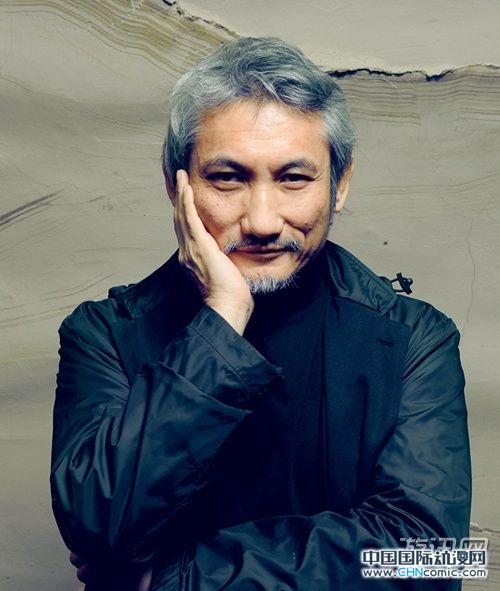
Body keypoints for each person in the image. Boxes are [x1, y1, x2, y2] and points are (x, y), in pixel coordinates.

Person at [50, 37, 471, 590]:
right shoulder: (102, 334)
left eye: (293, 178)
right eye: (228, 178)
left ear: (339, 185)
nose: (263, 221)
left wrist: (175, 579)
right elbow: (98, 528)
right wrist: (223, 314)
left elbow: (432, 561)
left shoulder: (417, 339)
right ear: (176, 185)